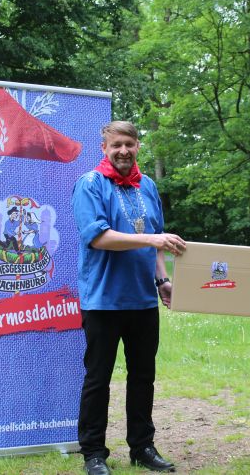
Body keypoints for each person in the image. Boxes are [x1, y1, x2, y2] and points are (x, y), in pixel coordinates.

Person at [72, 121, 186, 475]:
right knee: (98, 379)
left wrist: (162, 279)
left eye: (130, 144)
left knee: (142, 377)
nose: (123, 150)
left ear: (138, 146)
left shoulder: (148, 186)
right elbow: (99, 238)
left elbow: (158, 241)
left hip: (142, 301)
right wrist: (153, 240)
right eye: (116, 145)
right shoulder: (90, 184)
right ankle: (93, 453)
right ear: (104, 147)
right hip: (103, 301)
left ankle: (142, 447)